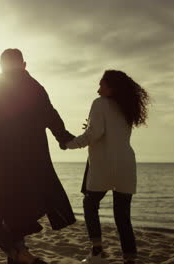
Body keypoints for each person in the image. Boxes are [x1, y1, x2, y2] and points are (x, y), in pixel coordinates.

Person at [0, 48, 76, 264]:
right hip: (32, 172)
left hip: (2, 168)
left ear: (1, 65)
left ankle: (24, 257)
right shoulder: (35, 87)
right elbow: (52, 115)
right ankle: (21, 256)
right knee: (15, 224)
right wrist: (64, 138)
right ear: (24, 64)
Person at [64, 70, 150, 264]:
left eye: (102, 86)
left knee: (90, 203)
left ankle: (97, 252)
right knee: (122, 216)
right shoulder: (127, 108)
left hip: (105, 165)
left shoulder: (99, 103)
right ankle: (130, 258)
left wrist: (70, 143)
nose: (98, 90)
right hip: (127, 165)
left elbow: (95, 134)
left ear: (112, 88)